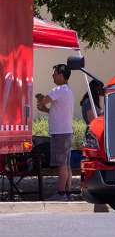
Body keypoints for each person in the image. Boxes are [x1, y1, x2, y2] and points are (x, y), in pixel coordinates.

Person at [36, 64, 74, 201]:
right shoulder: (67, 90)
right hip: (66, 132)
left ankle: (61, 193)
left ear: (61, 75)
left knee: (62, 164)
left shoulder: (58, 90)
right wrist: (45, 108)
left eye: (54, 73)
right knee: (66, 164)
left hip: (60, 133)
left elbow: (44, 101)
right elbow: (55, 110)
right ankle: (67, 192)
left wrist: (40, 98)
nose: (52, 76)